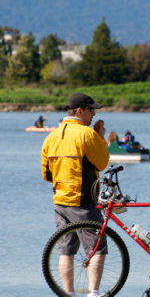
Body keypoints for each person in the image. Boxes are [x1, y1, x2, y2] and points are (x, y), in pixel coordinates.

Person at [41, 93, 109, 297]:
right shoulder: (86, 134)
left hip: (60, 200)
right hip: (83, 200)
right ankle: (94, 293)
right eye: (91, 110)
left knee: (66, 250)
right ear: (80, 111)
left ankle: (68, 294)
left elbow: (46, 174)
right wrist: (100, 137)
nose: (94, 114)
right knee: (98, 247)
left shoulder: (51, 136)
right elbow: (103, 162)